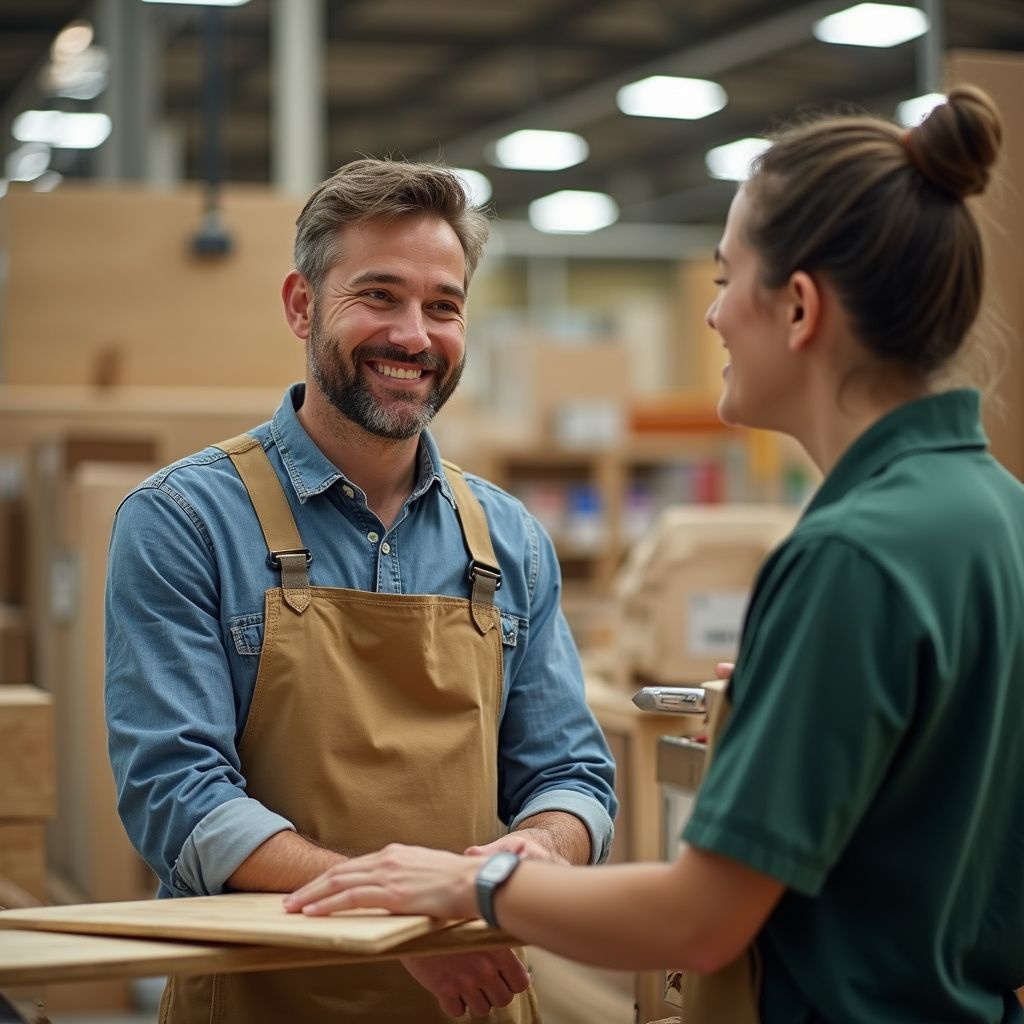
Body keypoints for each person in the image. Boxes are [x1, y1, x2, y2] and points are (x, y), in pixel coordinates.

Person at [284, 87, 1024, 1023]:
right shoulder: (999, 515)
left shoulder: (852, 555)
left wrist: (472, 887)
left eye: (724, 279)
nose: (712, 318)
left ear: (798, 308)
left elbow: (698, 922)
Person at [104, 158, 617, 1024]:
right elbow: (177, 795)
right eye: (378, 296)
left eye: (443, 306)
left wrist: (515, 870)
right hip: (263, 1001)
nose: (414, 336)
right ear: (303, 306)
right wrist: (398, 916)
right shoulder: (184, 521)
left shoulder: (510, 539)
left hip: (477, 997)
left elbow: (573, 777)